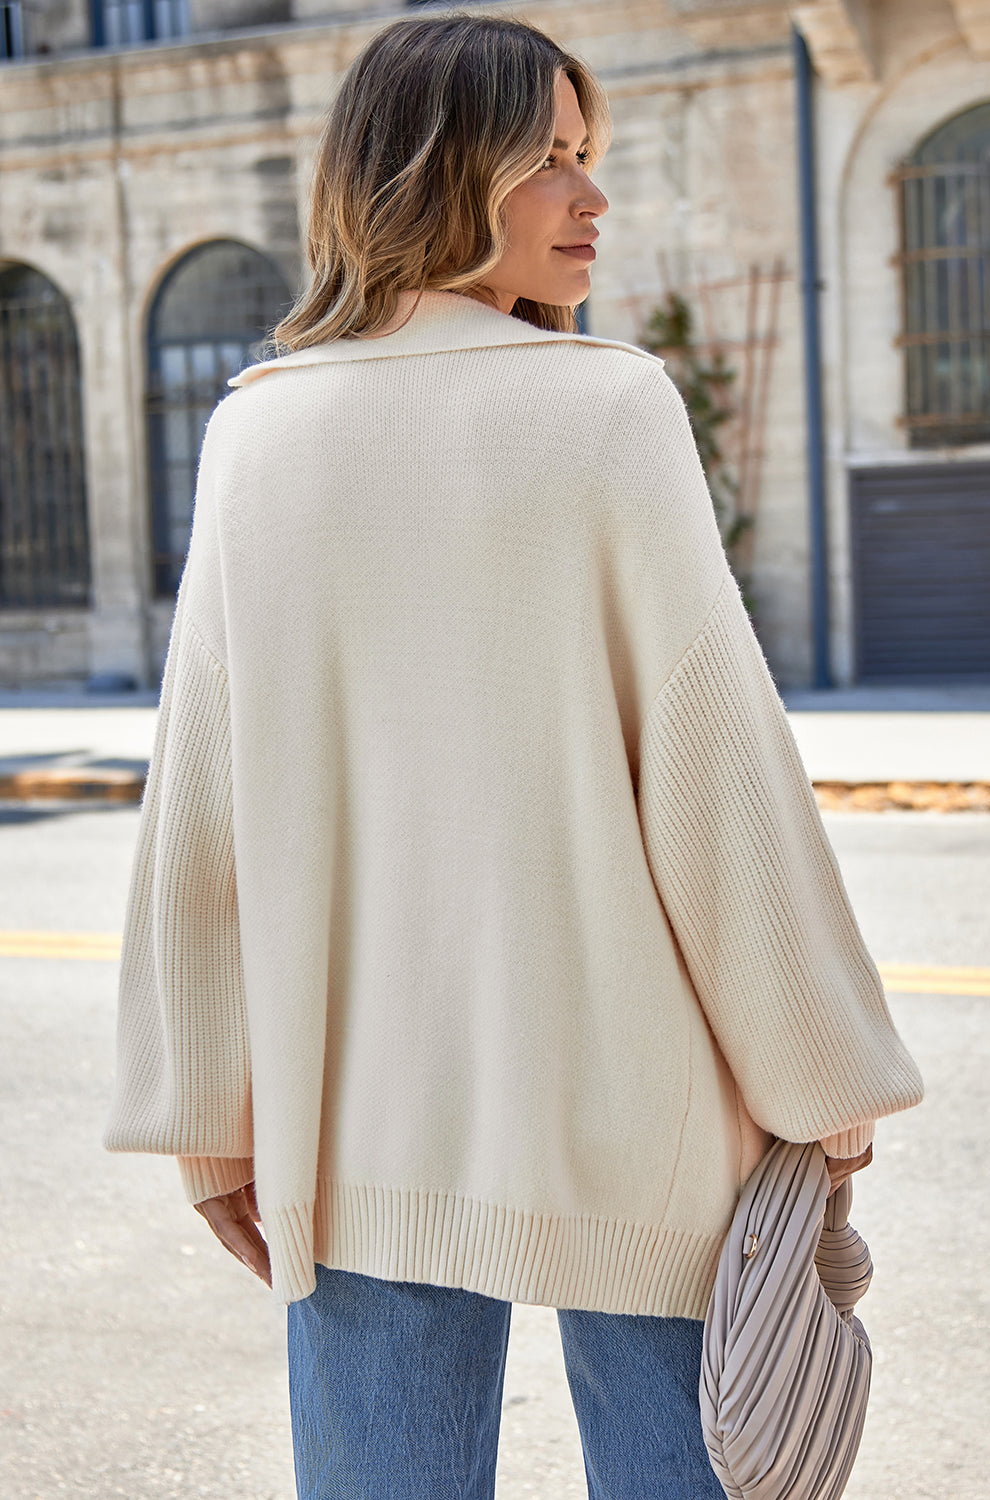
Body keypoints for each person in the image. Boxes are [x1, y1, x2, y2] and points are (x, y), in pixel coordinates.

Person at [105, 13, 923, 1499]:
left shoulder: (257, 435)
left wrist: (209, 1118)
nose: (592, 195)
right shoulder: (609, 407)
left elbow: (206, 808)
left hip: (359, 1128)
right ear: (438, 171)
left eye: (587, 154)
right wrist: (823, 1085)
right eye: (548, 159)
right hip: (643, 1120)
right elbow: (716, 780)